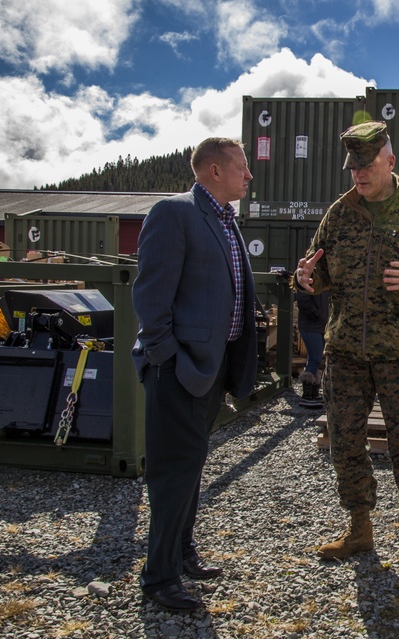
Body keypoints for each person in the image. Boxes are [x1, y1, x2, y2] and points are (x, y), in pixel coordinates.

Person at [294, 121, 399, 585]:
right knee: (346, 443)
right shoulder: (340, 213)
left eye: (366, 166)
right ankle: (359, 530)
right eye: (352, 167)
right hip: (346, 351)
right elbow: (318, 267)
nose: (358, 176)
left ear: (390, 162)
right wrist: (306, 278)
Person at [131, 137, 258, 612]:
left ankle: (182, 553)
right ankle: (159, 578)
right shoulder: (174, 212)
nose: (249, 176)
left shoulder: (225, 222)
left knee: (191, 468)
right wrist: (169, 360)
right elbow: (150, 298)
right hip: (178, 370)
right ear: (213, 170)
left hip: (209, 370)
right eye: (242, 168)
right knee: (173, 473)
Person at [296, 289, 328, 409]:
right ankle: (307, 396)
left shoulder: (321, 278)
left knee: (316, 358)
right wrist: (319, 315)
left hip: (319, 325)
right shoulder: (307, 275)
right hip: (311, 325)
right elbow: (303, 302)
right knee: (315, 358)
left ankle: (313, 393)